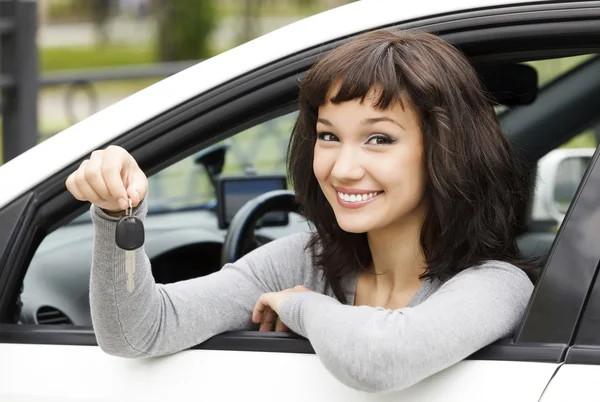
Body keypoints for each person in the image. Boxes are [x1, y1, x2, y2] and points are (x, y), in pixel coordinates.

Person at [65, 29, 535, 393]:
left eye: (379, 139)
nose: (343, 168)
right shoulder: (300, 261)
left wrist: (299, 305)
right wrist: (116, 213)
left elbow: (383, 357)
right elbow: (138, 332)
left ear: (446, 150)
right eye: (329, 136)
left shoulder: (495, 284)